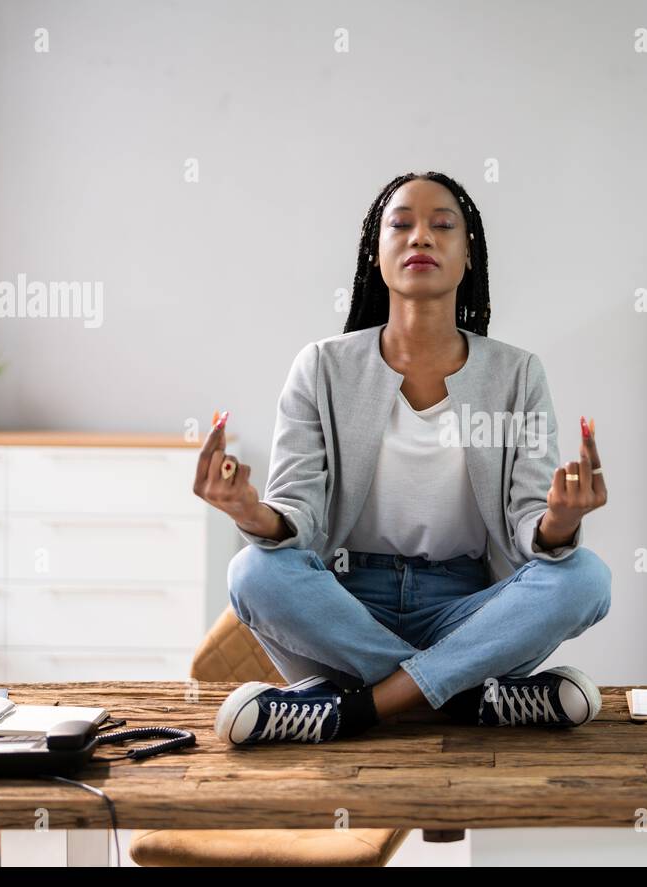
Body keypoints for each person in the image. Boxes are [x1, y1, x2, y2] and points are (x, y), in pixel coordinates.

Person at [195, 171, 612, 746]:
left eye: (443, 226)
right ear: (376, 252)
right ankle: (471, 698)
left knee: (584, 577)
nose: (421, 238)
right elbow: (297, 512)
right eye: (402, 225)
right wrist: (250, 513)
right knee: (252, 571)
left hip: (466, 609)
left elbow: (528, 524)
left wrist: (559, 524)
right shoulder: (321, 368)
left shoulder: (517, 374)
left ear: (469, 257)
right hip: (344, 609)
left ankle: (355, 709)